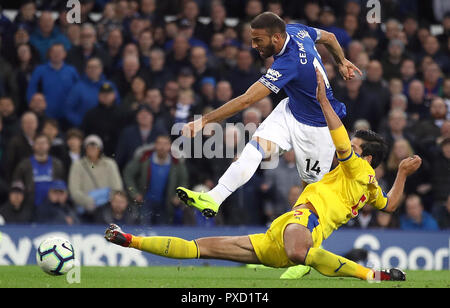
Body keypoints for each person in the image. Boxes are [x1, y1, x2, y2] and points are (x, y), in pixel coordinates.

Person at [105, 69, 422, 282]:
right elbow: (391, 204)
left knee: (300, 253)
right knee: (199, 247)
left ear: (366, 157)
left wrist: (324, 101)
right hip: (279, 236)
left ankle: (371, 276)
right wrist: (403, 174)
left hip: (304, 223)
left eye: (356, 147)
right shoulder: (369, 188)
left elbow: (338, 135)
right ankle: (129, 240)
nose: (348, 149)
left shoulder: (358, 167)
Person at [176, 12, 361, 218]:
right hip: (291, 110)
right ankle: (214, 198)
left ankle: (306, 239)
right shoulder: (296, 30)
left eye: (258, 40)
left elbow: (247, 100)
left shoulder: (289, 63)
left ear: (276, 38)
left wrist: (204, 120)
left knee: (311, 194)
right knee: (254, 148)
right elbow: (330, 38)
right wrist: (342, 60)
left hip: (318, 128)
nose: (254, 45)